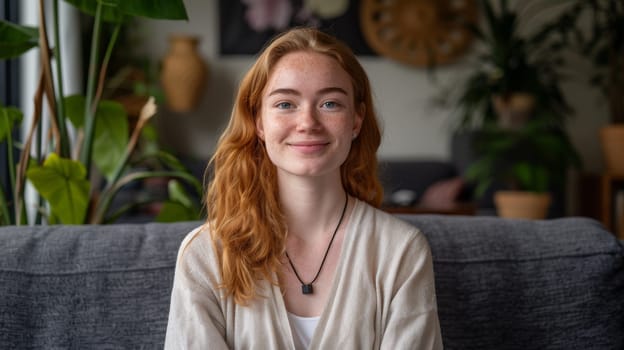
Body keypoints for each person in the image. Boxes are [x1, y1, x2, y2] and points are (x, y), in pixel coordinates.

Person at [165, 27, 443, 349]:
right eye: (285, 104)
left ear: (356, 120)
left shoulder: (401, 251)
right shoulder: (206, 255)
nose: (308, 122)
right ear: (259, 123)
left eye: (330, 103)